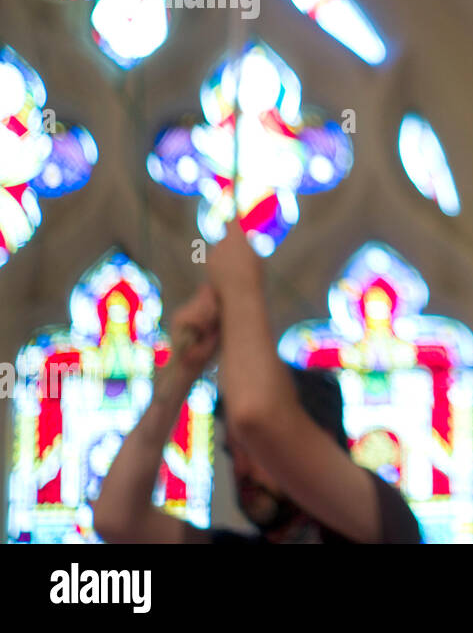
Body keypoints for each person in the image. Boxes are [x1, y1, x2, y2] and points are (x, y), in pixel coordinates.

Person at [95, 223, 422, 544]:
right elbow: (116, 518)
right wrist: (183, 368)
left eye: (252, 450)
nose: (240, 468)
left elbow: (257, 415)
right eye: (231, 452)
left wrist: (240, 284)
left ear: (318, 437)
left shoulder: (381, 521)